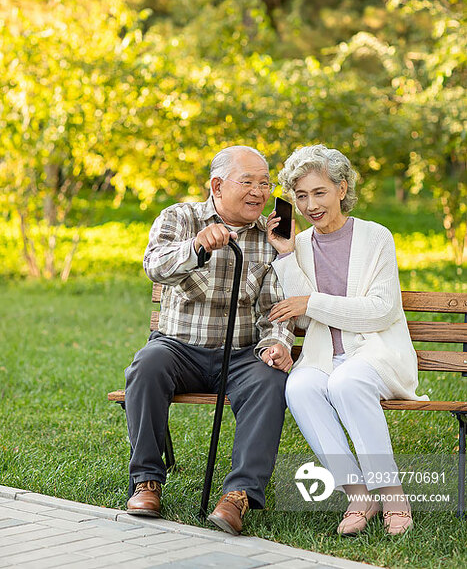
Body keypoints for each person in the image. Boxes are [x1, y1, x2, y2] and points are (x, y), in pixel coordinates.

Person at [124, 145, 295, 535]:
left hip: (239, 354)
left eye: (265, 183)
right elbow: (155, 265)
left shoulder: (269, 235)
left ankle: (239, 496)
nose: (259, 191)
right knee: (146, 367)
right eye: (248, 181)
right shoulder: (179, 218)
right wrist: (197, 246)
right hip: (178, 349)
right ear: (217, 185)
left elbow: (275, 307)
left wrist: (278, 343)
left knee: (270, 380)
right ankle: (146, 481)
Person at [267, 144, 428, 536]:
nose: (310, 205)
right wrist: (286, 256)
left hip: (377, 356)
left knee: (348, 381)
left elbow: (381, 309)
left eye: (319, 192)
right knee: (301, 386)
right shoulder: (299, 246)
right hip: (324, 358)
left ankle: (392, 496)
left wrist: (313, 301)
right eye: (300, 196)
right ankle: (359, 494)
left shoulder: (376, 237)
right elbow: (303, 315)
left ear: (342, 188)